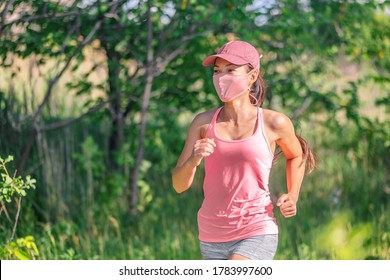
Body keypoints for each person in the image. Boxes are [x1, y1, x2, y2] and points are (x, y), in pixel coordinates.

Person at [171, 40, 315, 260]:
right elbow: (178, 185)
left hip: (256, 228)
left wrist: (292, 195)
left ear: (252, 76)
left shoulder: (274, 122)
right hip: (211, 233)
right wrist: (193, 159)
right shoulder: (202, 123)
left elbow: (297, 155)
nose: (221, 78)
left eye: (231, 70)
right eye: (217, 71)